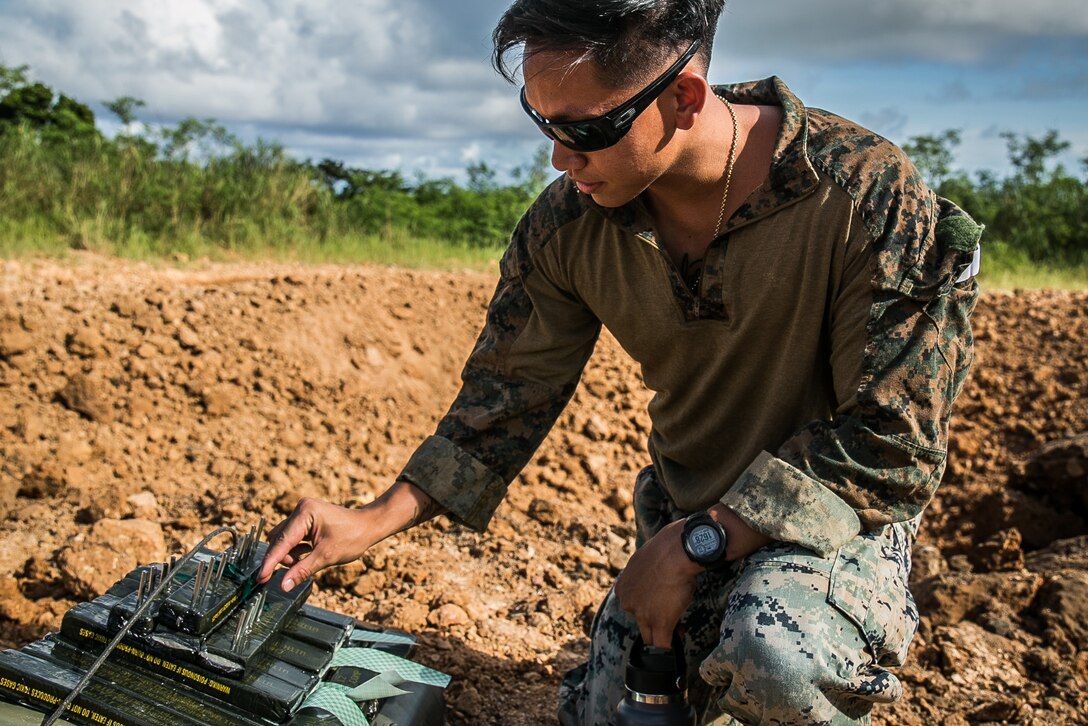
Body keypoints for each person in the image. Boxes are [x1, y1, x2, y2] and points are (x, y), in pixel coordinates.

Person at [259, 0, 984, 723]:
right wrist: (372, 519)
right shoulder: (568, 225)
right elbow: (506, 396)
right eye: (543, 123)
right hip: (683, 518)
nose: (559, 158)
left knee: (773, 654)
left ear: (684, 97)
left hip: (831, 527)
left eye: (585, 130)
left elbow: (892, 441)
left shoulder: (863, 193)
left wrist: (698, 544)